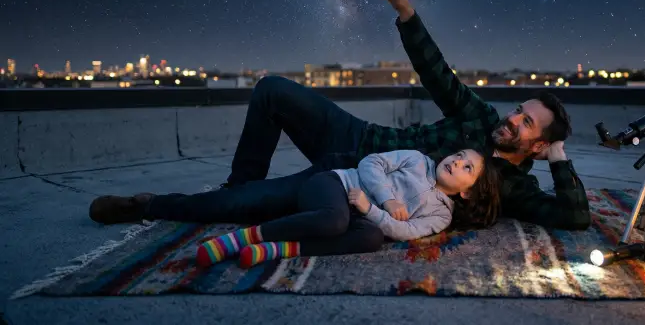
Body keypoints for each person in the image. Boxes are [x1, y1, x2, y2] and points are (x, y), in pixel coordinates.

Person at [214, 0, 591, 232]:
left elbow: (575, 218)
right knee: (272, 90)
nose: (512, 120)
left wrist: (559, 159)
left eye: (526, 123)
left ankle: (233, 199)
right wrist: (407, 14)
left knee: (246, 208)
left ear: (538, 145)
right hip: (361, 139)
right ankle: (239, 183)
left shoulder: (516, 188)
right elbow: (439, 75)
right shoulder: (481, 116)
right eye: (518, 111)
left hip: (358, 188)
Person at [89, 148, 500, 268]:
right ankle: (149, 206)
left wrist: (373, 212)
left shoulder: (442, 213)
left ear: (467, 191)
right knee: (237, 203)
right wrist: (385, 199)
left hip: (358, 212)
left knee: (371, 237)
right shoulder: (415, 158)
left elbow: (405, 232)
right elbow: (370, 164)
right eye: (460, 154)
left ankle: (275, 248)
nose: (457, 162)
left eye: (468, 168)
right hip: (332, 186)